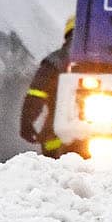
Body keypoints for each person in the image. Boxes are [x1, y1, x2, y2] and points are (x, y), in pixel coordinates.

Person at [20, 18, 73, 156]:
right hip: (110, 137)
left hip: (56, 141)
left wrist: (27, 122)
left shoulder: (55, 61)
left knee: (54, 174)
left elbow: (36, 93)